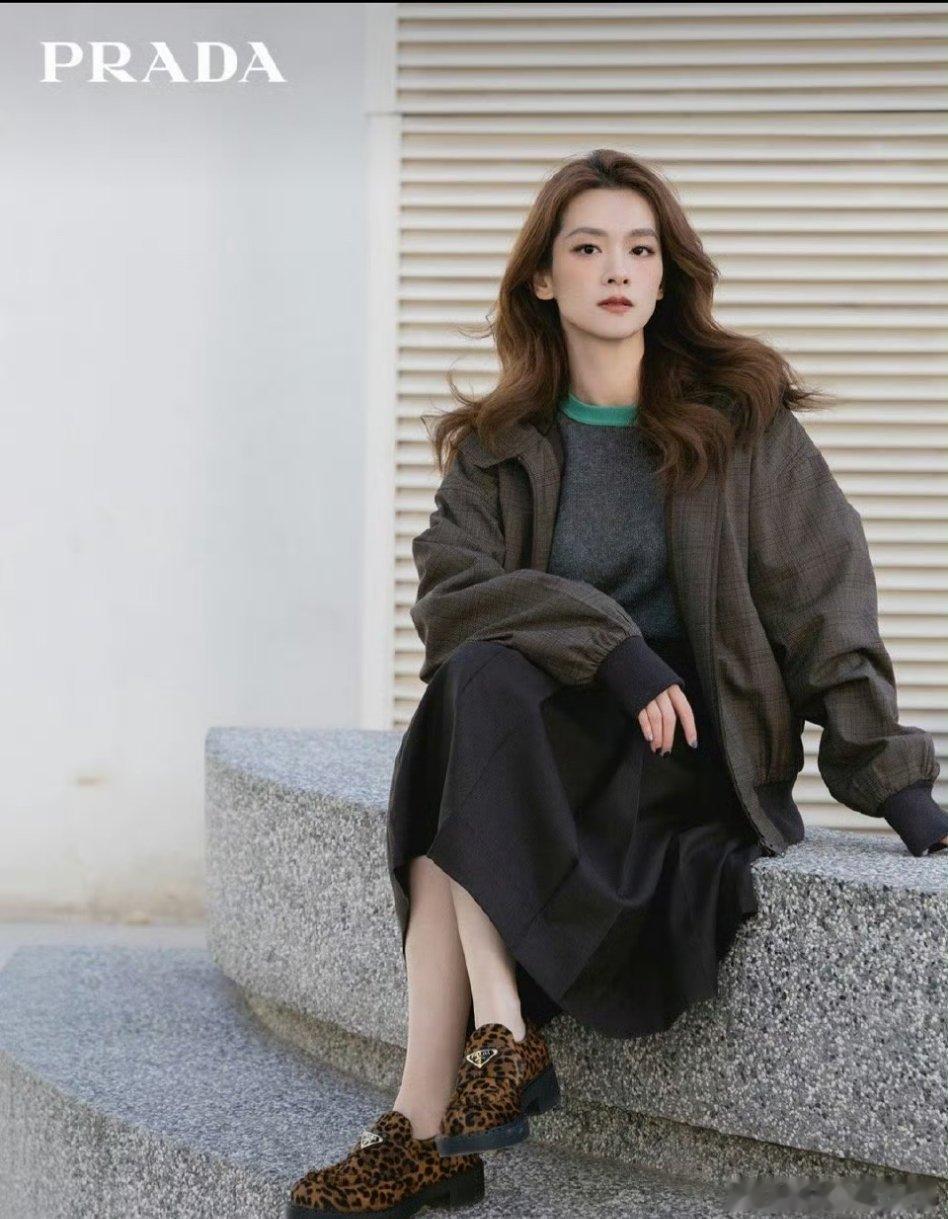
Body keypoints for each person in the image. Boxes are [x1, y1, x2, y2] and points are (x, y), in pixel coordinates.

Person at [286, 149, 948, 1219]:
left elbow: (825, 599)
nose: (616, 270)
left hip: (682, 761)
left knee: (464, 731)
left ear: (665, 276)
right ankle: (490, 1043)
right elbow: (452, 595)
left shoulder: (739, 424)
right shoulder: (499, 448)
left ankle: (429, 1115)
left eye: (639, 250)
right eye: (588, 248)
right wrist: (609, 649)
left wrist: (896, 783)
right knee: (476, 679)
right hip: (544, 753)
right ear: (544, 279)